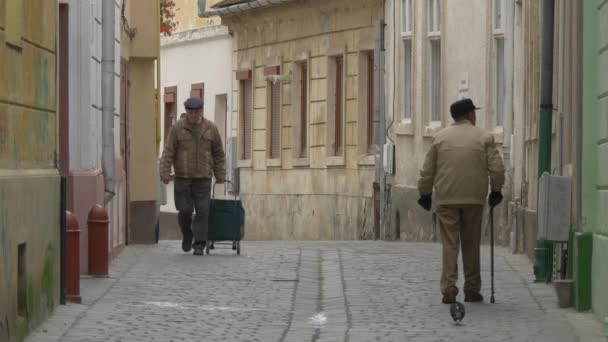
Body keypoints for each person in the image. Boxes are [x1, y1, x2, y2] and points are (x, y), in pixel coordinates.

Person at [417, 98, 505, 304]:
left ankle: (449, 287)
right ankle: (472, 289)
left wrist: (425, 193)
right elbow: (497, 169)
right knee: (471, 243)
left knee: (450, 243)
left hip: (446, 198)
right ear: (470, 115)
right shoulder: (484, 137)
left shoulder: (440, 138)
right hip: (474, 198)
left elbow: (427, 170)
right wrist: (496, 190)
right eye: (474, 112)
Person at [159, 97, 226, 255]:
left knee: (203, 211)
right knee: (185, 211)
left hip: (203, 177)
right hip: (183, 177)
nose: (194, 114)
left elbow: (218, 154)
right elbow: (168, 152)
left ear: (201, 111)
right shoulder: (177, 129)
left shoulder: (211, 128)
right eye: (191, 111)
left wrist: (220, 173)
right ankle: (187, 234)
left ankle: (199, 242)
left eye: (196, 111)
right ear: (186, 111)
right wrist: (165, 172)